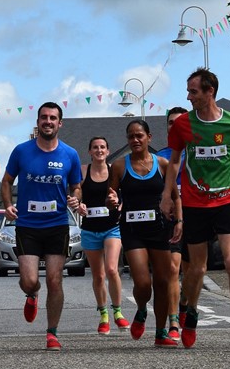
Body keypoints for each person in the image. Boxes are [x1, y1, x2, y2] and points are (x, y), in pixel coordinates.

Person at [160, 67, 230, 350]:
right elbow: (175, 162)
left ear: (210, 92)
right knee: (197, 268)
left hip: (227, 201)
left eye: (193, 91)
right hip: (195, 204)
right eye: (188, 91)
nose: (188, 97)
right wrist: (167, 195)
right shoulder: (183, 124)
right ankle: (190, 310)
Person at [1, 102, 82, 352]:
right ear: (38, 122)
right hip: (28, 225)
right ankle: (32, 294)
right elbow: (6, 181)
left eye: (53, 118)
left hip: (57, 224)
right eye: (44, 117)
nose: (48, 121)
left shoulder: (70, 154)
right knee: (29, 280)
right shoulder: (21, 151)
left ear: (60, 123)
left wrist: (75, 198)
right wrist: (8, 205)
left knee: (55, 280)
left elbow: (76, 187)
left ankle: (52, 333)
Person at [107, 120, 182, 346]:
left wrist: (179, 221)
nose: (135, 140)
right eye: (131, 136)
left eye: (139, 135)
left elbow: (176, 197)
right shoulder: (119, 166)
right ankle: (141, 309)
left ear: (149, 137)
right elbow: (110, 197)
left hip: (159, 228)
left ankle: (160, 333)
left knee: (162, 281)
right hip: (133, 230)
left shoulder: (163, 164)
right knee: (142, 283)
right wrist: (111, 201)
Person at [77, 136, 129, 335]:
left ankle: (118, 312)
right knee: (98, 275)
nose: (99, 150)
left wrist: (120, 203)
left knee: (112, 269)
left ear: (108, 151)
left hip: (111, 227)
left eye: (102, 147)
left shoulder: (115, 170)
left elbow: (126, 194)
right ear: (90, 151)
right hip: (90, 229)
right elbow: (75, 193)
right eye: (95, 147)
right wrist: (78, 204)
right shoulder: (84, 171)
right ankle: (104, 315)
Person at [157, 106, 190, 339]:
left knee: (193, 272)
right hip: (170, 219)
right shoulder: (161, 157)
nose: (175, 126)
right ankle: (174, 321)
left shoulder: (198, 153)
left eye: (180, 122)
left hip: (196, 215)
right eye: (171, 123)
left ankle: (185, 306)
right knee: (172, 269)